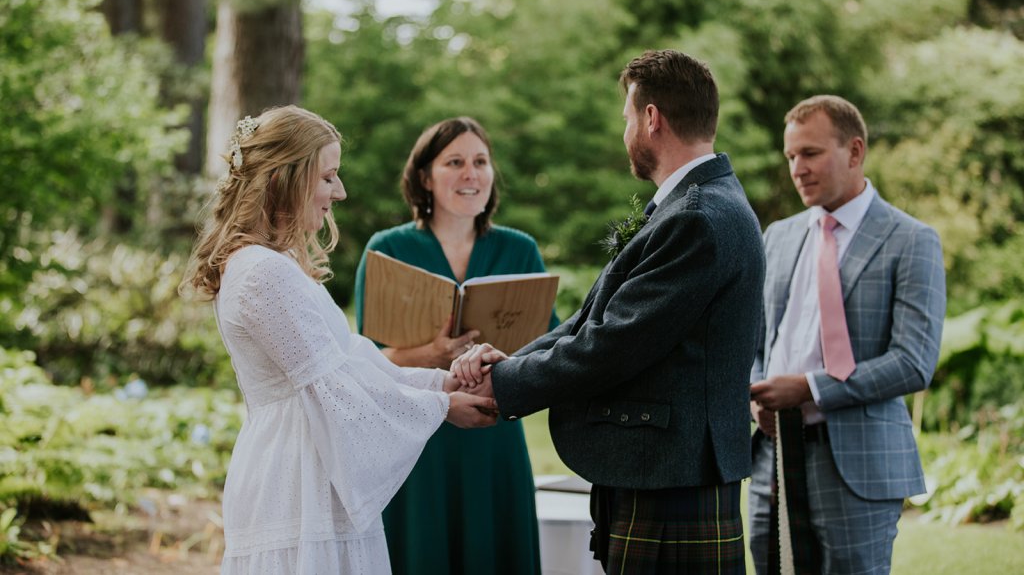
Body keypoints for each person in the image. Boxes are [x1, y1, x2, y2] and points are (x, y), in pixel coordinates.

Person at [453, 49, 766, 574]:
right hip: (664, 472)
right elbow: (591, 320)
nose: (625, 133)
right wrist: (505, 365)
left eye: (627, 118)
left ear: (651, 119)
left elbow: (614, 343)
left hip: (670, 476)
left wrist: (503, 385)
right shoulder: (697, 204)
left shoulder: (697, 218)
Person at [178, 105, 497, 575]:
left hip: (310, 467)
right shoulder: (262, 272)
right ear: (283, 179)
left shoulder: (275, 262)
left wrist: (440, 385)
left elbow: (350, 362)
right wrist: (442, 409)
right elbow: (333, 390)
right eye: (328, 177)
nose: (340, 192)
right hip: (296, 479)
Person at [748, 95, 946, 575]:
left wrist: (810, 389)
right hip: (771, 459)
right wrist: (753, 395)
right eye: (791, 156)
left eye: (811, 153)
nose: (798, 168)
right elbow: (756, 342)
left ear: (854, 152)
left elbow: (913, 361)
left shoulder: (911, 240)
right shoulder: (778, 235)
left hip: (857, 465)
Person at [352, 116, 556, 575]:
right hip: (418, 440)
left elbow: (547, 346)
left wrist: (498, 359)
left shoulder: (519, 249)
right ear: (425, 177)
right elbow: (365, 362)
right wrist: (436, 353)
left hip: (494, 434)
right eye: (455, 162)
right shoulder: (386, 250)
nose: (471, 174)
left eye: (480, 162)